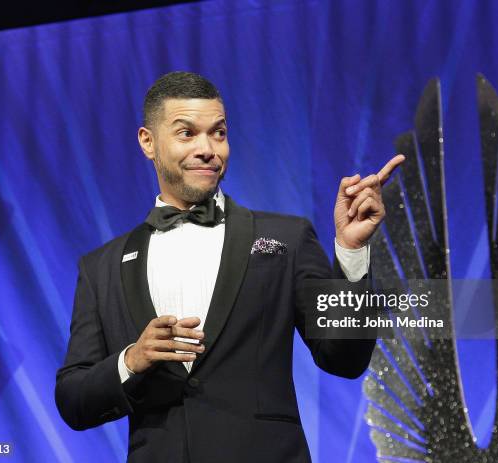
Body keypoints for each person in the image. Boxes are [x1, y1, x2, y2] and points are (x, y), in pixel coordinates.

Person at [55, 71, 404, 462]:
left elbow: (345, 359)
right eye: (186, 133)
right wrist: (131, 360)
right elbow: (73, 399)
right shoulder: (101, 267)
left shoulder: (285, 239)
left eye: (218, 133)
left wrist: (352, 253)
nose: (208, 149)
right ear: (148, 142)